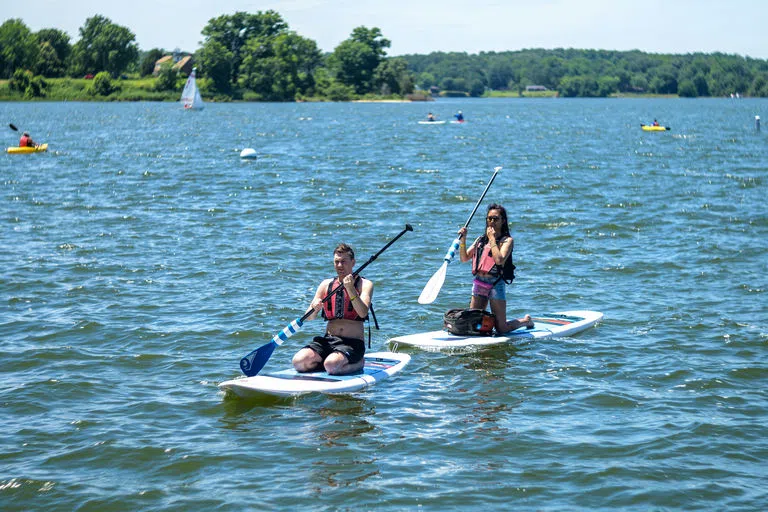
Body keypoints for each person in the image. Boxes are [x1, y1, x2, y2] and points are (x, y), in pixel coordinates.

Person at [292, 243, 374, 375]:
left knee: (331, 365)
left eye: (344, 262)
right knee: (299, 362)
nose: (340, 266)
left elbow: (362, 312)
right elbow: (309, 317)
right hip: (329, 341)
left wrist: (351, 289)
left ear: (353, 262)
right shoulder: (326, 284)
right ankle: (331, 363)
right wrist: (314, 308)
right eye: (337, 262)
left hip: (352, 343)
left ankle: (358, 363)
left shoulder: (365, 284)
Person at [457, 203, 532, 334]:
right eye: (489, 218)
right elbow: (464, 258)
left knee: (501, 329)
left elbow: (499, 259)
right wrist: (463, 240)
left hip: (496, 284)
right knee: (474, 323)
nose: (491, 222)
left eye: (495, 219)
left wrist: (492, 239)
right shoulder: (480, 240)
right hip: (479, 283)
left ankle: (526, 321)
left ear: (503, 221)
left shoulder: (507, 241)